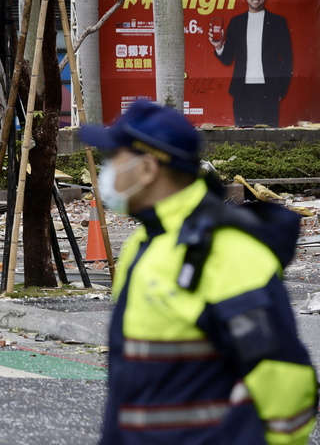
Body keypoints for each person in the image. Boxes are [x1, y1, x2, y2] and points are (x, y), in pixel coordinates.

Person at [79, 100, 317, 444]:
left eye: (114, 158)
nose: (106, 170)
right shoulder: (147, 243)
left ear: (147, 169)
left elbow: (285, 381)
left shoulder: (225, 253)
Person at [208, 0, 293, 127]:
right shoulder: (236, 22)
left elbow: (287, 59)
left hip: (269, 89)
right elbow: (227, 59)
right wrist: (219, 45)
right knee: (242, 136)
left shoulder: (278, 22)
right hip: (242, 90)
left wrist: (281, 90)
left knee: (268, 138)